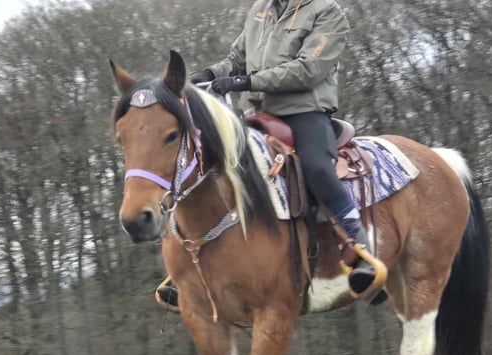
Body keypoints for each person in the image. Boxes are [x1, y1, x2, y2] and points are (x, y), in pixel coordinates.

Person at [157, 0, 386, 311]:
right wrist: (209, 73)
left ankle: (361, 250)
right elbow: (237, 59)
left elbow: (309, 69)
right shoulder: (260, 9)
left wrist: (246, 82)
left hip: (305, 113)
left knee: (317, 169)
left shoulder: (326, 12)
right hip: (259, 114)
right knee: (211, 163)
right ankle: (189, 263)